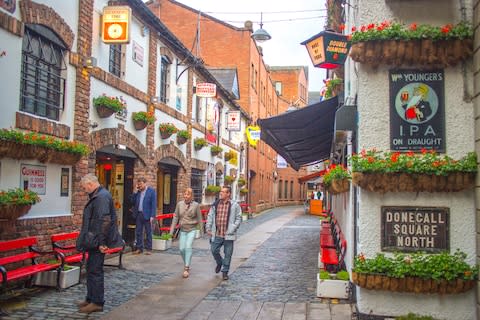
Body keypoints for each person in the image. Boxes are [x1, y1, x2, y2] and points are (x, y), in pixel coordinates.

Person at [76, 174, 123, 314]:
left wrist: (102, 242)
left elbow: (104, 221)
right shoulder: (99, 195)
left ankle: (97, 302)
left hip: (97, 241)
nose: (85, 190)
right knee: (91, 269)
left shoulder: (101, 197)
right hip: (94, 240)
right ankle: (90, 298)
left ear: (90, 184)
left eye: (85, 188)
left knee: (95, 271)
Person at [205, 185, 242, 281]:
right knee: (214, 250)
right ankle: (220, 262)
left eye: (223, 192)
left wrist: (233, 228)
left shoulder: (234, 205)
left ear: (228, 194)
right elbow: (210, 216)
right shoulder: (216, 204)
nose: (220, 193)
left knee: (228, 254)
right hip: (217, 233)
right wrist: (208, 227)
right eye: (220, 191)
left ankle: (225, 272)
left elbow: (239, 218)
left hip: (228, 234)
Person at [170, 187, 204, 278]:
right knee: (181, 249)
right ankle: (186, 262)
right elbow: (175, 217)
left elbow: (200, 219)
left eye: (188, 194)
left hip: (192, 229)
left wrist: (202, 232)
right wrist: (171, 231)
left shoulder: (196, 205)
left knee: (188, 246)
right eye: (185, 194)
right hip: (183, 230)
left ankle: (186, 267)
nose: (186, 196)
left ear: (191, 196)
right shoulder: (179, 204)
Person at [130, 176, 157, 255]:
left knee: (148, 232)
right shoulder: (138, 192)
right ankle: (139, 248)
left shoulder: (151, 191)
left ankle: (149, 249)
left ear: (145, 183)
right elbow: (132, 201)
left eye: (141, 184)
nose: (140, 186)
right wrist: (135, 191)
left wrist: (152, 216)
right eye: (139, 185)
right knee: (138, 232)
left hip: (147, 215)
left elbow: (153, 204)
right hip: (139, 214)